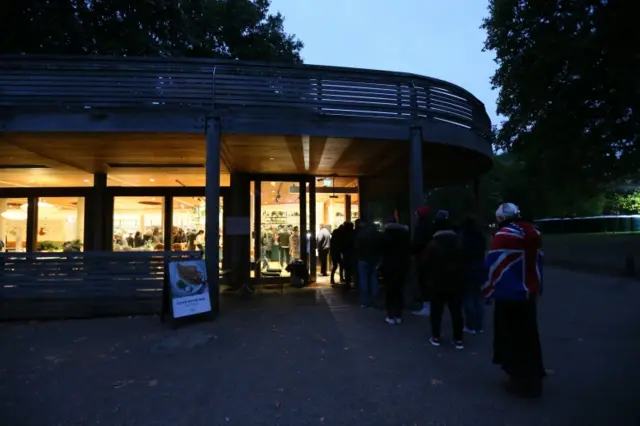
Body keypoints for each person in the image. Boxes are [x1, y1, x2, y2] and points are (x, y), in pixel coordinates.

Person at [484, 202, 545, 398]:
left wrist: (487, 288)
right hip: (529, 293)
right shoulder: (533, 231)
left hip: (509, 294)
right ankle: (533, 377)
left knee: (510, 336)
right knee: (529, 336)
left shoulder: (504, 235)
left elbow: (494, 265)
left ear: (501, 218)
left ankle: (517, 379)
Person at [424, 210, 465, 349]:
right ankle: (458, 339)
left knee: (436, 311)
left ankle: (436, 336)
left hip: (437, 282)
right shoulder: (458, 244)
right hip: (455, 282)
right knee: (456, 311)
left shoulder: (432, 245)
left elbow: (426, 264)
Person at [380, 216, 411, 324]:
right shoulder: (404, 236)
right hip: (401, 266)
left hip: (389, 267)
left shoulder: (385, 236)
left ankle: (390, 315)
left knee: (389, 292)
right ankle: (398, 314)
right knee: (399, 291)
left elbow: (382, 252)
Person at [460, 215, 487, 334]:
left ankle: (470, 325)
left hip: (467, 268)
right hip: (479, 267)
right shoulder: (481, 238)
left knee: (468, 297)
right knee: (478, 297)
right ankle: (478, 324)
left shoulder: (464, 239)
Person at [412, 205, 435, 316]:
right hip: (429, 257)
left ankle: (427, 305)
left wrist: (413, 249)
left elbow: (418, 242)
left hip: (422, 257)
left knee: (424, 281)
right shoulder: (430, 225)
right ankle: (429, 305)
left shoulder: (421, 227)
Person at [354, 220, 381, 307]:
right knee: (373, 279)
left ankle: (364, 301)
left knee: (363, 280)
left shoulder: (361, 234)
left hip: (362, 259)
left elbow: (357, 247)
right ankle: (374, 300)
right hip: (373, 259)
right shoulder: (377, 235)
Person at [340, 222, 356, 289]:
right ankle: (354, 282)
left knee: (347, 269)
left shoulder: (344, 234)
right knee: (353, 269)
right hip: (353, 254)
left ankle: (348, 282)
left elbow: (342, 244)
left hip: (347, 254)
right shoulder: (354, 233)